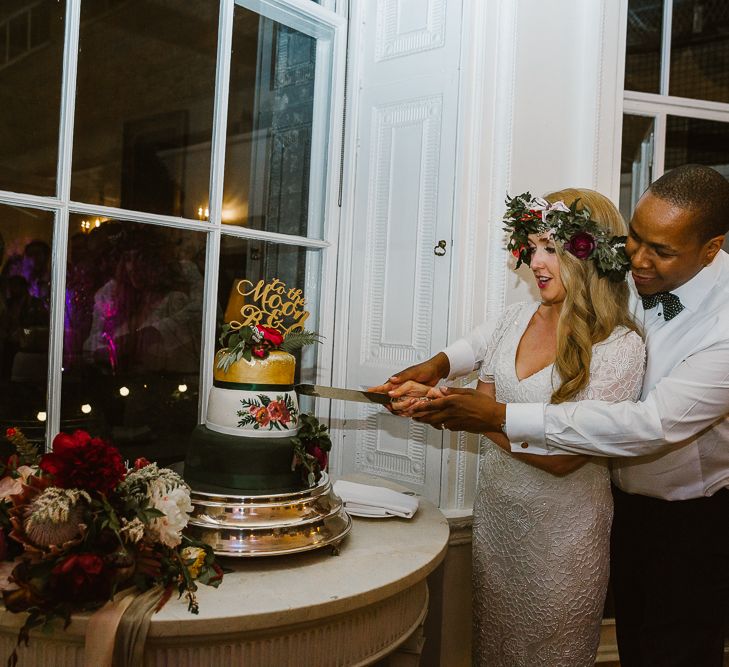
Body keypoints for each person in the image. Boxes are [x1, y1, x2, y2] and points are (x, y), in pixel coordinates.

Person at [382, 165, 729, 667]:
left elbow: (649, 425)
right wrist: (441, 363)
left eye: (661, 250)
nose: (636, 259)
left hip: (689, 516)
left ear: (711, 249)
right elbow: (499, 334)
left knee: (675, 649)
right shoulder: (624, 265)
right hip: (611, 501)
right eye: (634, 238)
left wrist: (496, 416)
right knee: (627, 642)